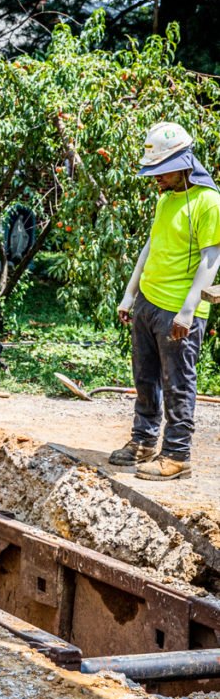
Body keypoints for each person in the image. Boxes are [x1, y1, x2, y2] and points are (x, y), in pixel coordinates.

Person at [109, 122, 220, 481]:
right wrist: (130, 294)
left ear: (183, 163)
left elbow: (212, 257)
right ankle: (143, 441)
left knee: (178, 383)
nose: (155, 178)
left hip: (179, 310)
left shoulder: (209, 202)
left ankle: (176, 455)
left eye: (160, 171)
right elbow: (151, 246)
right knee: (145, 377)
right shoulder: (165, 199)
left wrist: (187, 311)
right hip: (149, 302)